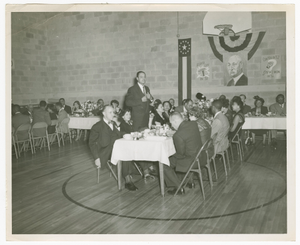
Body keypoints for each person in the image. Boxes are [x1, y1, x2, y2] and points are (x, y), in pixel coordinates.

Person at [89, 105, 138, 191]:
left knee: (128, 149)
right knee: (124, 153)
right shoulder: (97, 126)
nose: (113, 115)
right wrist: (96, 158)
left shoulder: (113, 123)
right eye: (110, 112)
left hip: (115, 149)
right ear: (104, 114)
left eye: (113, 112)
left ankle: (129, 173)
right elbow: (91, 143)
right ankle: (127, 180)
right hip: (105, 152)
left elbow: (118, 133)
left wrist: (130, 134)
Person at [164, 112, 203, 195]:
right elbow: (186, 133)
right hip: (200, 156)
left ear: (175, 121)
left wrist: (168, 154)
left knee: (163, 163)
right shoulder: (193, 124)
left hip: (191, 161)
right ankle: (190, 182)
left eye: (171, 124)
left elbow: (180, 154)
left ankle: (178, 187)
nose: (172, 126)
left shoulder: (178, 135)